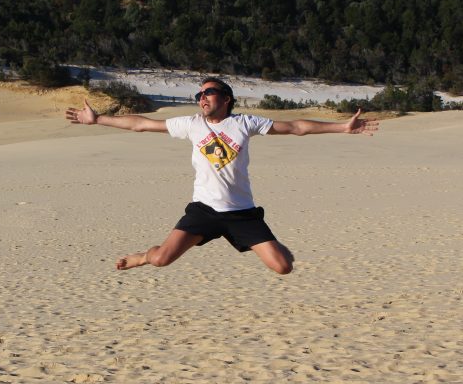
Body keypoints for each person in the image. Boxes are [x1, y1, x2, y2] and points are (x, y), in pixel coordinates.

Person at [65, 77, 378, 274]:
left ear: (226, 98)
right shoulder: (191, 124)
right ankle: (142, 256)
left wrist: (342, 127)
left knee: (284, 267)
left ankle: (276, 247)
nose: (202, 98)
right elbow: (141, 124)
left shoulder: (244, 123)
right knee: (161, 260)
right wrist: (99, 119)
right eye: (199, 94)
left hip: (241, 213)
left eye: (209, 92)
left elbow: (296, 127)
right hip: (203, 210)